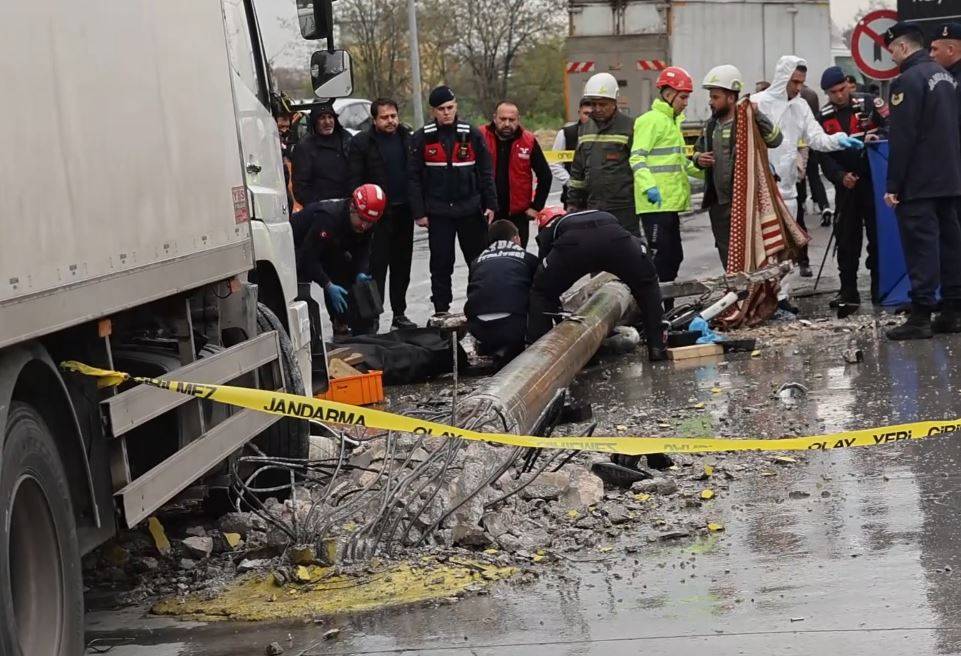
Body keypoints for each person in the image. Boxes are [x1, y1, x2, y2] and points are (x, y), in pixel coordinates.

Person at [882, 22, 961, 339]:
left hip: (920, 182)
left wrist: (893, 185)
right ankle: (953, 311)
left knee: (921, 248)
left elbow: (903, 137)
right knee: (950, 244)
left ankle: (920, 316)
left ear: (902, 47)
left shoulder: (907, 80)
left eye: (891, 51)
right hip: (949, 178)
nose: (891, 58)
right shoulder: (946, 78)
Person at [752, 56, 864, 277]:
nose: (798, 87)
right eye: (794, 82)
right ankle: (760, 299)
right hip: (761, 189)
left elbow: (816, 137)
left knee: (786, 250)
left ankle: (781, 298)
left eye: (801, 82)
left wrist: (838, 139)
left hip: (788, 188)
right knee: (763, 251)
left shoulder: (800, 106)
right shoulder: (757, 103)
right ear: (782, 78)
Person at [527, 207, 666, 360]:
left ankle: (538, 356)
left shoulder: (550, 229)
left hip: (574, 246)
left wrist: (552, 302)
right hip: (616, 241)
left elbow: (544, 274)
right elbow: (635, 242)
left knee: (540, 293)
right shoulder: (597, 215)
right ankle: (657, 346)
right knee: (647, 287)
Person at [409, 85, 497, 319]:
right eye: (441, 109)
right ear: (433, 112)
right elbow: (413, 178)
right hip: (438, 212)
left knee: (477, 262)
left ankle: (481, 305)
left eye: (450, 107)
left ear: (456, 106)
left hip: (470, 208)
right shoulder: (422, 138)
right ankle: (441, 310)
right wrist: (419, 212)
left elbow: (486, 171)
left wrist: (490, 204)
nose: (446, 112)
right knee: (440, 264)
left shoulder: (472, 134)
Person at [693, 65, 783, 268]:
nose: (711, 102)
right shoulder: (710, 126)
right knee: (728, 258)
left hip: (746, 203)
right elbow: (697, 151)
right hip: (719, 205)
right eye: (711, 97)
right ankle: (736, 295)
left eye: (715, 97)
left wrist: (758, 116)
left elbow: (776, 139)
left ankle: (758, 296)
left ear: (731, 98)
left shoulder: (748, 122)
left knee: (753, 255)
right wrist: (699, 158)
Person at [817, 65, 887, 316]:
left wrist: (876, 138)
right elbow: (822, 154)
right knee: (846, 239)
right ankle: (848, 291)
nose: (838, 95)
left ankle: (881, 288)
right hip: (847, 184)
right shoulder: (823, 116)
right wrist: (839, 176)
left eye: (841, 89)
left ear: (848, 84)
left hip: (873, 180)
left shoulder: (869, 103)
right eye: (832, 92)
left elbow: (891, 127)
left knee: (878, 238)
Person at [629, 66, 703, 305]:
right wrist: (649, 186)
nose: (685, 103)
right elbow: (637, 157)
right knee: (661, 261)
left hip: (669, 204)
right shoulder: (650, 122)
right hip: (654, 205)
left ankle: (665, 308)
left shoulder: (672, 123)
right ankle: (654, 311)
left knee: (674, 258)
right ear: (668, 94)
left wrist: (704, 169)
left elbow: (679, 163)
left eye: (687, 97)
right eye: (683, 97)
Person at [348, 98, 417, 330]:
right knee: (376, 268)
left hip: (404, 212)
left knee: (402, 267)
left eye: (393, 116)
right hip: (376, 217)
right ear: (374, 119)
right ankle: (374, 316)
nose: (391, 121)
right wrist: (361, 214)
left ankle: (400, 314)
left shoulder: (407, 139)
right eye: (385, 117)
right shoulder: (362, 143)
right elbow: (355, 180)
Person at [291, 184, 386, 337]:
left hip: (329, 244)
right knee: (302, 296)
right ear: (353, 208)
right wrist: (327, 284)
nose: (365, 226)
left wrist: (361, 272)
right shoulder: (328, 218)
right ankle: (309, 339)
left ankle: (342, 323)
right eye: (362, 220)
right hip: (297, 245)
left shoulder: (367, 221)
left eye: (370, 222)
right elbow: (308, 259)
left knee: (347, 276)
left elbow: (363, 249)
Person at [566, 73, 641, 235]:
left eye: (603, 104)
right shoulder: (585, 129)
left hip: (624, 208)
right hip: (593, 207)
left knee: (627, 253)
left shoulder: (631, 127)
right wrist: (573, 202)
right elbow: (578, 171)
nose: (598, 109)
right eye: (594, 104)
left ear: (614, 102)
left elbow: (639, 166)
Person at [479, 101, 553, 248]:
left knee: (516, 258)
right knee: (487, 257)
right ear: (495, 118)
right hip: (486, 213)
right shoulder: (480, 136)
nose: (507, 123)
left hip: (518, 215)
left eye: (511, 120)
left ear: (518, 120)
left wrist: (536, 207)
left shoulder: (528, 141)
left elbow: (545, 175)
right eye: (503, 119)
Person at [464, 220, 539, 360]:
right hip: (514, 327)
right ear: (516, 238)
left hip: (479, 328)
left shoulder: (476, 262)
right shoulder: (529, 259)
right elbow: (540, 294)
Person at [291, 102, 351, 207]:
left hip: (348, 205)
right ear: (314, 121)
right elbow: (300, 186)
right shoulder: (304, 147)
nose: (327, 122)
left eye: (330, 117)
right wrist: (317, 207)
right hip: (321, 209)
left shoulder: (346, 139)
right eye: (322, 118)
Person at [796, 83, 832, 227]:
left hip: (800, 143)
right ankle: (824, 205)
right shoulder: (812, 94)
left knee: (800, 176)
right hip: (812, 141)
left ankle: (802, 203)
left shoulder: (798, 99)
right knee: (814, 175)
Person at [551, 98, 592, 206]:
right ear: (579, 113)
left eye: (592, 114)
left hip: (597, 197)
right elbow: (554, 163)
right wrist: (570, 182)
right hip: (572, 198)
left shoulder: (603, 136)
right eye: (586, 113)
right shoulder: (566, 134)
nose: (589, 118)